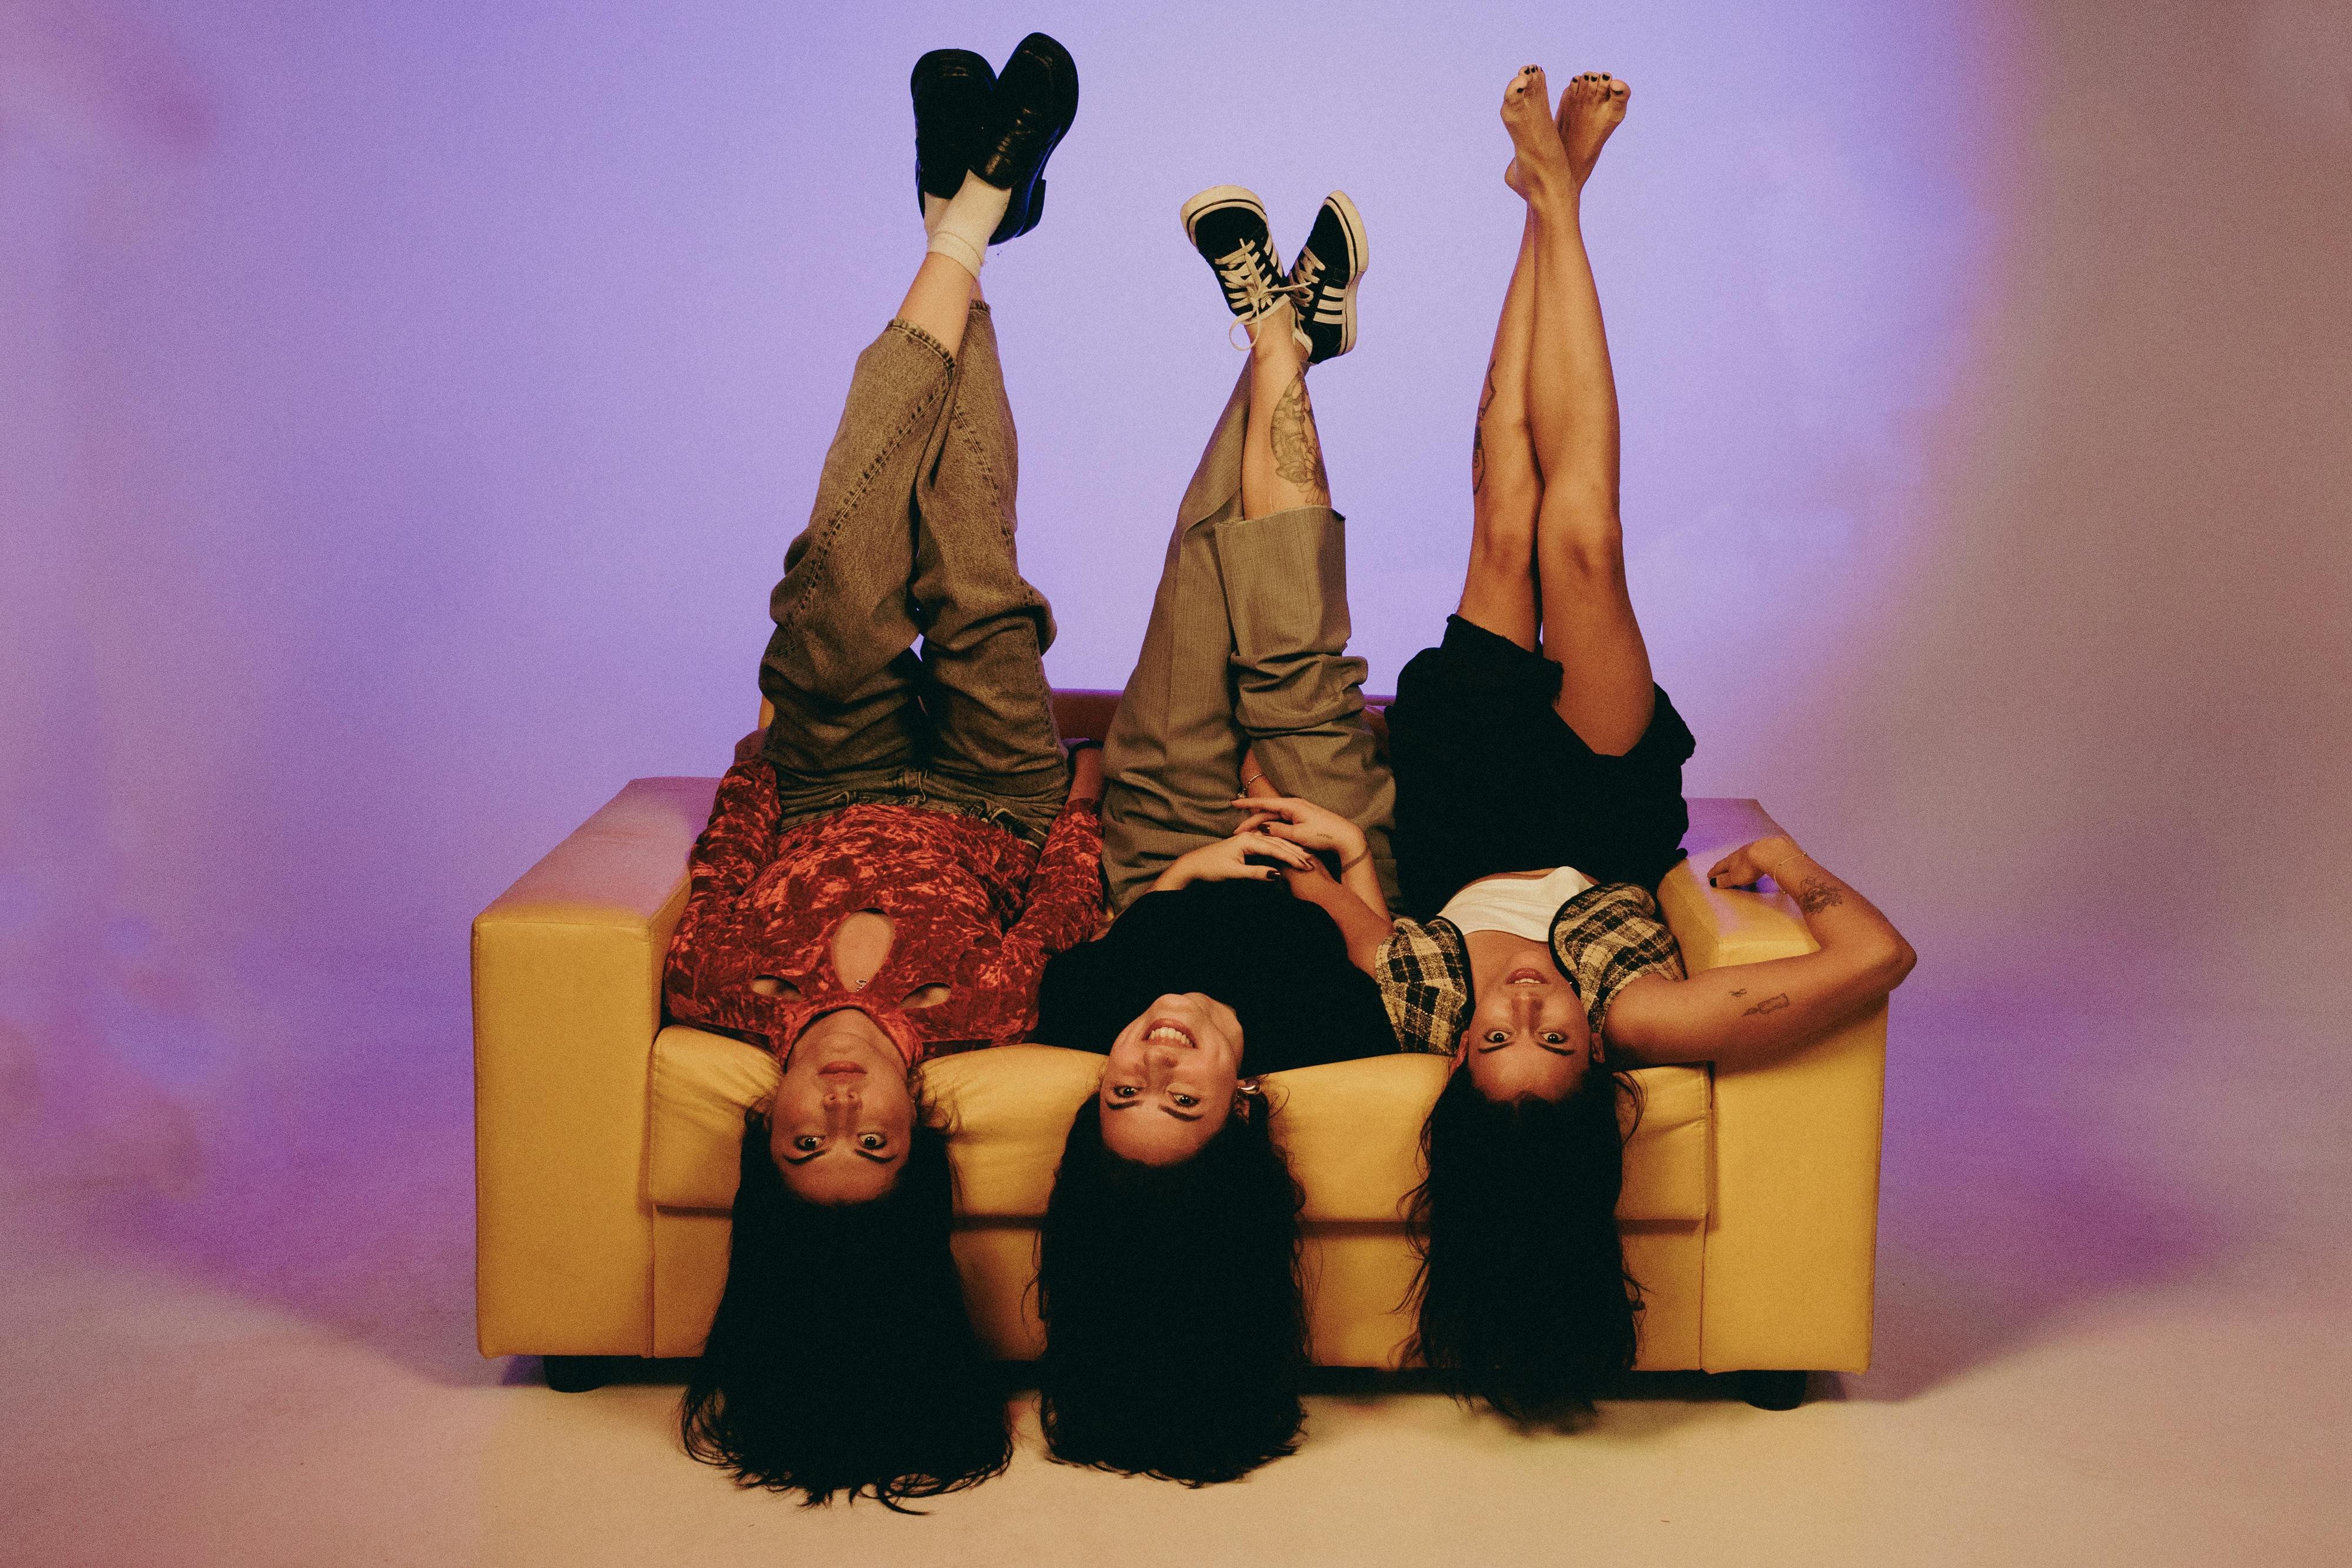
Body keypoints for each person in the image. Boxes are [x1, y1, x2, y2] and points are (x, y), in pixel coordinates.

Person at [1371, 66, 1918, 1422]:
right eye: (1548, 1040)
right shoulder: (1649, 1017)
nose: (1525, 1011)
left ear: (1457, 1066)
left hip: (1451, 813)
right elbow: (1879, 958)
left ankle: (1546, 209)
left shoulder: (1418, 1018)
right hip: (1590, 820)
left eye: (1500, 1034)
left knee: (1506, 514)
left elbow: (1342, 927)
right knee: (1586, 541)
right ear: (1595, 1073)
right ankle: (1560, 203)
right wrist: (1784, 859)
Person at [662, 36, 1097, 1507]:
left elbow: (730, 851)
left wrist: (772, 748)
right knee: (970, 568)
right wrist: (1066, 794)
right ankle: (964, 221)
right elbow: (1059, 898)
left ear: (765, 1123)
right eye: (869, 1137)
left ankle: (965, 223)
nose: (840, 1095)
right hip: (989, 790)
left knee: (842, 578)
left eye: (805, 1136)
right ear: (915, 1142)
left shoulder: (720, 990)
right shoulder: (976, 1012)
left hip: (831, 773)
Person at [1028, 183, 1422, 1485]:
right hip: (1317, 841)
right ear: (1241, 1108)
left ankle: (1285, 345)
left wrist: (1171, 871)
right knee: (1290, 629)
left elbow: (1065, 924)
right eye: (1181, 1095)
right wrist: (1349, 863)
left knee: (1196, 564)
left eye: (1123, 1091)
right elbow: (1396, 944)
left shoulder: (1084, 1005)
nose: (1151, 1051)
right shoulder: (1329, 1033)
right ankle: (1278, 346)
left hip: (1160, 847)